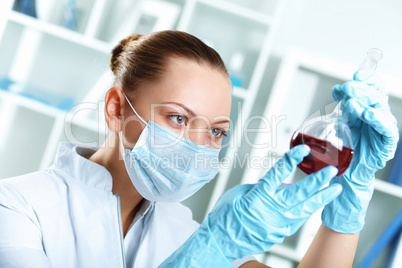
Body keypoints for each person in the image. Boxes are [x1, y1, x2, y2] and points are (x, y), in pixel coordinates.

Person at [0, 30, 398, 268]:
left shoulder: (186, 232)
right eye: (177, 118)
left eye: (216, 132)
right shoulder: (17, 207)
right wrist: (211, 252)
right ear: (116, 109)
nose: (196, 144)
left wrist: (345, 211)